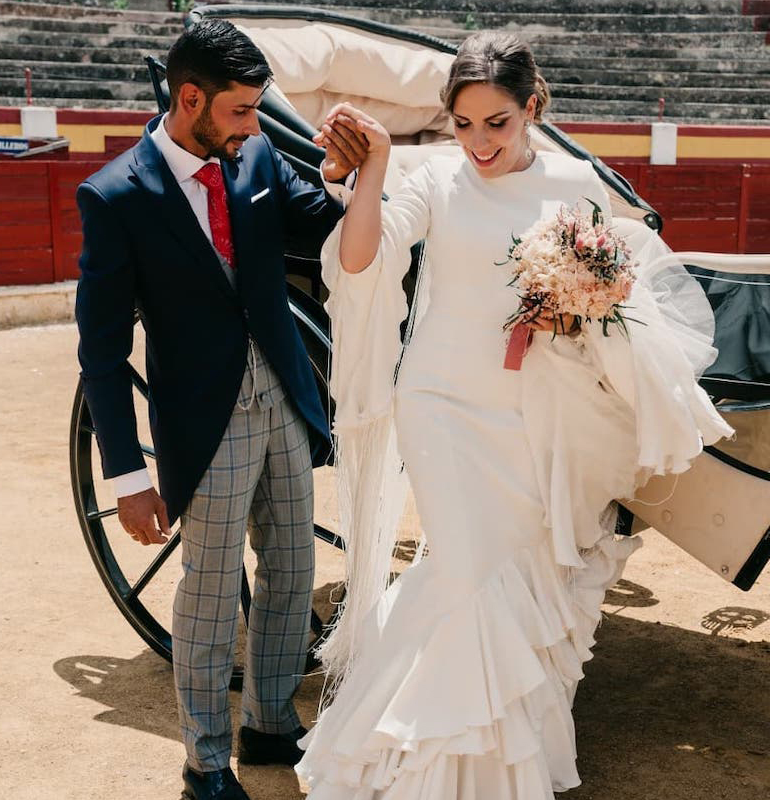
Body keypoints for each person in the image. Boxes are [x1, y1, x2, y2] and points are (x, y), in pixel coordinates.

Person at [295, 31, 734, 798]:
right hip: (441, 405)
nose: (478, 143)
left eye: (496, 122)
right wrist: (372, 174)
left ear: (531, 108)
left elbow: (612, 299)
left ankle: (503, 757)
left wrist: (578, 312)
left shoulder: (577, 183)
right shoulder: (434, 178)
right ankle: (424, 767)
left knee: (523, 571)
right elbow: (361, 261)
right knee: (466, 573)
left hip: (537, 411)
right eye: (463, 125)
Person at [74, 20, 364, 800]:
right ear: (189, 97)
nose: (253, 124)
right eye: (240, 109)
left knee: (294, 568)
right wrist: (128, 476)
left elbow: (319, 221)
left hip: (286, 394)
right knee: (208, 593)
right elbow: (102, 353)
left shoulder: (258, 152)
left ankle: (269, 720)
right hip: (206, 420)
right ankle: (204, 760)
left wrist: (344, 178)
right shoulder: (114, 194)